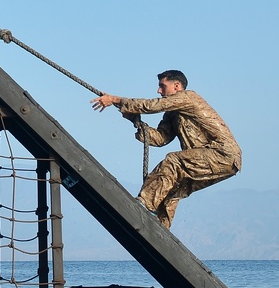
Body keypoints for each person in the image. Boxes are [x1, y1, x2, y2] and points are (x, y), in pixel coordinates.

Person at [89, 70, 241, 228]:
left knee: (174, 161)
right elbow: (160, 138)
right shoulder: (172, 113)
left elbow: (151, 106)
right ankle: (159, 231)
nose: (159, 91)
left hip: (222, 153)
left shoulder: (188, 97)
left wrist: (114, 99)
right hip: (214, 161)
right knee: (171, 193)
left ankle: (142, 206)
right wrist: (135, 121)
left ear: (176, 86)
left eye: (162, 86)